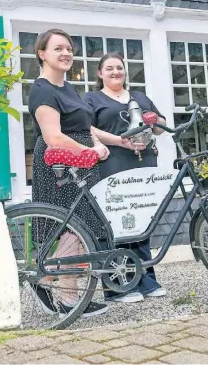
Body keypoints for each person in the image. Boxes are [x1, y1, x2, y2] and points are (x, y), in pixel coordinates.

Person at [27, 28, 110, 317]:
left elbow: (84, 125)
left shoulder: (68, 88)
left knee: (79, 227)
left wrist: (100, 143)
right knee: (71, 228)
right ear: (42, 54)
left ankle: (55, 282)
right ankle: (64, 294)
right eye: (58, 48)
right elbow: (54, 137)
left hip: (83, 163)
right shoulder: (42, 89)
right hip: (60, 162)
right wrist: (88, 152)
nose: (66, 54)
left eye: (69, 50)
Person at [83, 52, 168, 304]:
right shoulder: (91, 98)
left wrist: (155, 120)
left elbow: (160, 128)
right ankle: (118, 286)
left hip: (143, 164)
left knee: (142, 221)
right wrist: (120, 140)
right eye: (109, 68)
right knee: (116, 224)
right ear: (100, 73)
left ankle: (146, 280)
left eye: (119, 68)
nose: (115, 72)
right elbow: (86, 128)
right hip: (112, 162)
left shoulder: (140, 97)